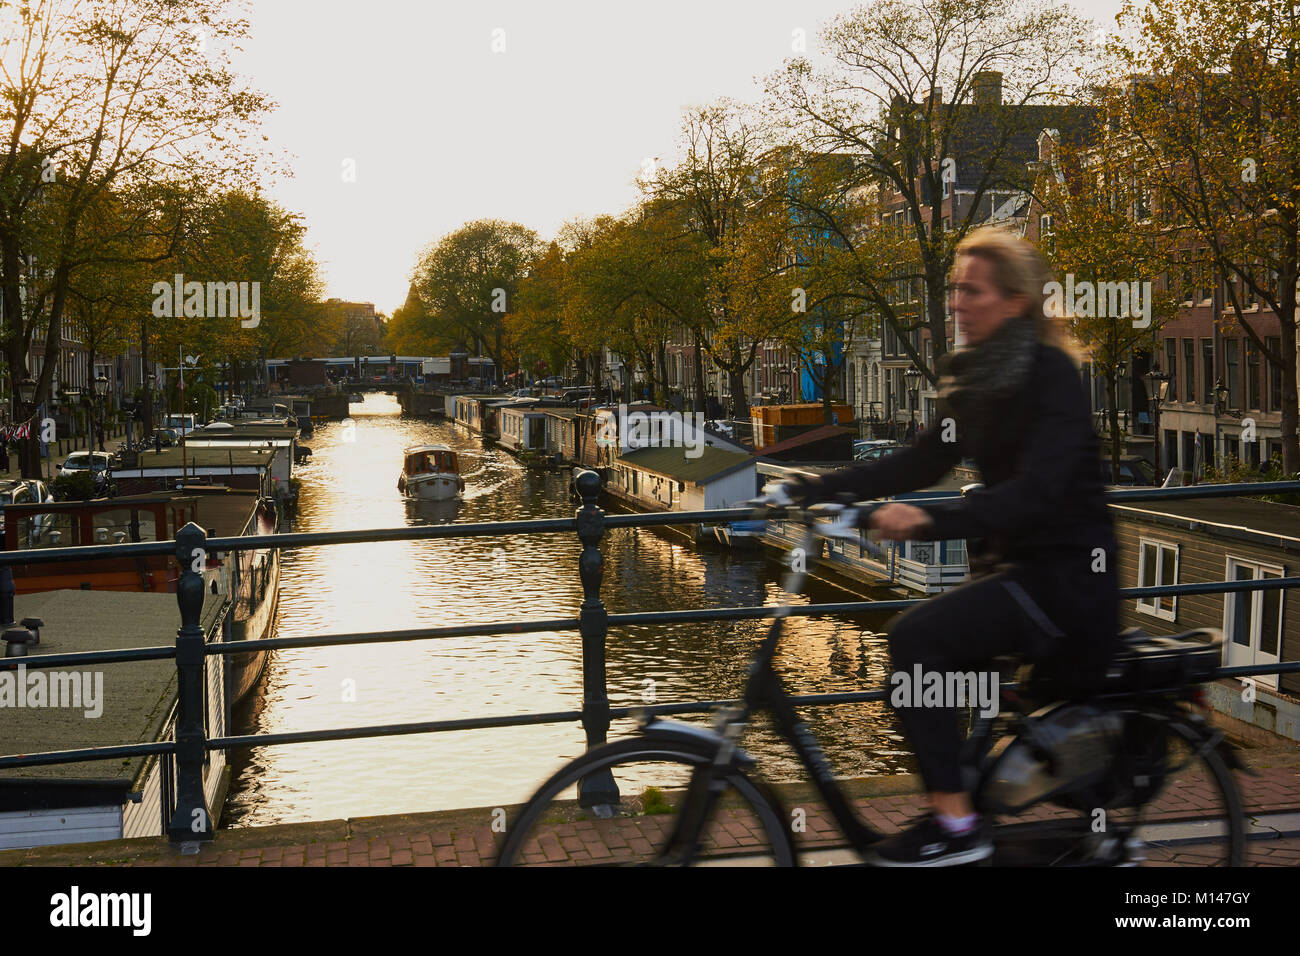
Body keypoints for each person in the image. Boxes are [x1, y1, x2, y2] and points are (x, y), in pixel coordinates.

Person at [781, 226, 1118, 866]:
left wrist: (927, 523)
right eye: (956, 288)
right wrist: (814, 487)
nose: (958, 302)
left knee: (916, 638)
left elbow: (1038, 493)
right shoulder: (976, 375)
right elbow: (918, 463)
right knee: (923, 688)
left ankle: (955, 827)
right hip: (1015, 571)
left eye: (973, 291)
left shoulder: (1049, 376)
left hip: (1065, 578)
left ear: (1015, 301)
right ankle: (969, 808)